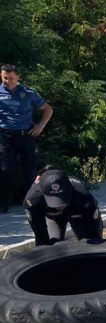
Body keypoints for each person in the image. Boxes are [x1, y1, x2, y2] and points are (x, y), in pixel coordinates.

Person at [1, 64, 54, 212]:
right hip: (5, 136)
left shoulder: (28, 93)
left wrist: (40, 126)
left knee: (29, 169)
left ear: (17, 77)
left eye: (11, 78)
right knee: (6, 170)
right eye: (5, 77)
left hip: (26, 135)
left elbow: (48, 109)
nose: (7, 81)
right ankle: (4, 202)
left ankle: (31, 200)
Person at [23, 167, 103, 246]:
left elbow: (93, 228)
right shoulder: (33, 200)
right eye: (53, 201)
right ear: (43, 194)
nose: (59, 206)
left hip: (78, 211)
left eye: (62, 198)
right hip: (53, 216)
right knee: (51, 246)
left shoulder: (83, 195)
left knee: (92, 241)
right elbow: (41, 236)